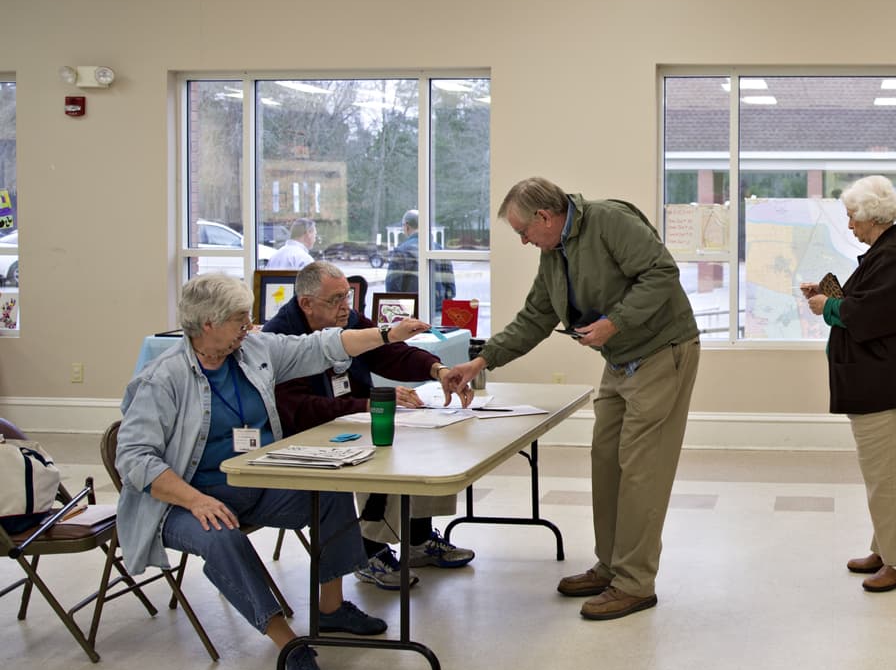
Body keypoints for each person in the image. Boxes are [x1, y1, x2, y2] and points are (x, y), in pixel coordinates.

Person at [115, 274, 429, 670]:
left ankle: (331, 608)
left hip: (257, 482)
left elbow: (321, 346)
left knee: (330, 490)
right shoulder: (162, 379)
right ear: (207, 323)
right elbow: (134, 458)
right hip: (183, 501)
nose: (249, 328)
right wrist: (195, 500)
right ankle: (289, 643)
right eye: (240, 320)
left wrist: (388, 333)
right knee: (223, 538)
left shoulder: (253, 351)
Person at [443, 177, 700, 621]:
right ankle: (611, 566)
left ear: (545, 217)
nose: (524, 241)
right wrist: (481, 362)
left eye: (523, 231)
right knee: (605, 460)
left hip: (662, 351)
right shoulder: (554, 252)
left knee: (642, 470)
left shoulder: (608, 221)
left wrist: (615, 322)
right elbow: (535, 317)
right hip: (620, 360)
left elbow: (662, 273)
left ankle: (635, 582)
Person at [261, 261, 476, 587]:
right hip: (307, 435)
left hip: (351, 417)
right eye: (335, 300)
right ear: (306, 303)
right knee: (381, 446)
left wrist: (438, 370)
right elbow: (298, 411)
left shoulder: (347, 319)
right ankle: (369, 550)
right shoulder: (280, 337)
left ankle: (417, 540)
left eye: (348, 297)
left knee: (416, 436)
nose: (345, 307)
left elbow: (392, 353)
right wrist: (367, 404)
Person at [801, 176, 896, 593]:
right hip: (879, 383)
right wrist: (830, 298)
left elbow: (872, 315)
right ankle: (884, 548)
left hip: (887, 387)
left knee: (888, 477)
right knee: (882, 474)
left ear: (870, 216)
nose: (848, 226)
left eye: (851, 217)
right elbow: (870, 304)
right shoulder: (887, 251)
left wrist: (829, 307)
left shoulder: (894, 255)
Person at [384, 209, 455, 311]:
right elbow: (451, 289)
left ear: (407, 226)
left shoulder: (401, 251)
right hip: (437, 312)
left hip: (411, 313)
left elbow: (392, 289)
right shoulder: (439, 249)